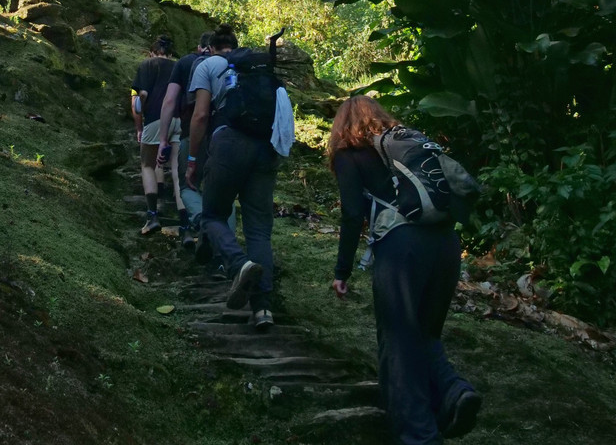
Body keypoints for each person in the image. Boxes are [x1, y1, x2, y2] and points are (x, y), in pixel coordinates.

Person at [328, 95, 481, 444]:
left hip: (402, 248)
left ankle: (419, 435)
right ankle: (455, 391)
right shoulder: (406, 144)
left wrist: (342, 271)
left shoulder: (349, 156)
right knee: (425, 334)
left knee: (397, 341)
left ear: (341, 126)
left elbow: (353, 215)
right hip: (445, 244)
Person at [186, 24, 294, 327]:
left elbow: (201, 115)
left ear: (211, 46)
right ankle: (262, 309)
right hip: (265, 149)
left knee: (212, 215)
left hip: (229, 143)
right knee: (259, 230)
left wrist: (193, 159)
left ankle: (238, 263)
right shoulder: (263, 74)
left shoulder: (208, 66)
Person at [156, 30, 214, 248]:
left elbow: (169, 101)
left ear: (200, 48)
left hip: (192, 132)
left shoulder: (186, 62)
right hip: (225, 137)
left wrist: (163, 139)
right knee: (217, 190)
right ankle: (222, 246)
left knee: (188, 184)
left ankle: (191, 227)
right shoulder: (229, 63)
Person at [131, 35, 182, 234]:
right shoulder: (179, 66)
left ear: (152, 52)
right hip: (178, 121)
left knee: (147, 164)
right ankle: (186, 224)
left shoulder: (147, 65)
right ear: (170, 53)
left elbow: (141, 95)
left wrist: (139, 119)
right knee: (178, 173)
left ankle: (152, 215)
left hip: (155, 119)